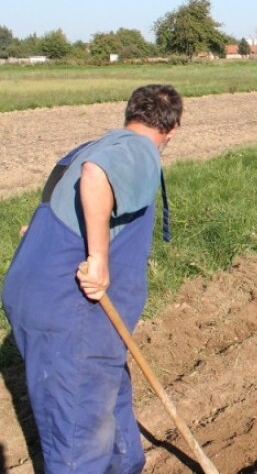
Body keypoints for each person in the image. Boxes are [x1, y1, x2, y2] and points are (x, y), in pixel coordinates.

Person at [2, 84, 183, 473]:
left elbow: (59, 204)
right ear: (173, 129)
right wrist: (99, 259)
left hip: (42, 291)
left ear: (129, 114)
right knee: (79, 432)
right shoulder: (136, 152)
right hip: (71, 307)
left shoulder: (94, 144)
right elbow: (96, 176)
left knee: (107, 390)